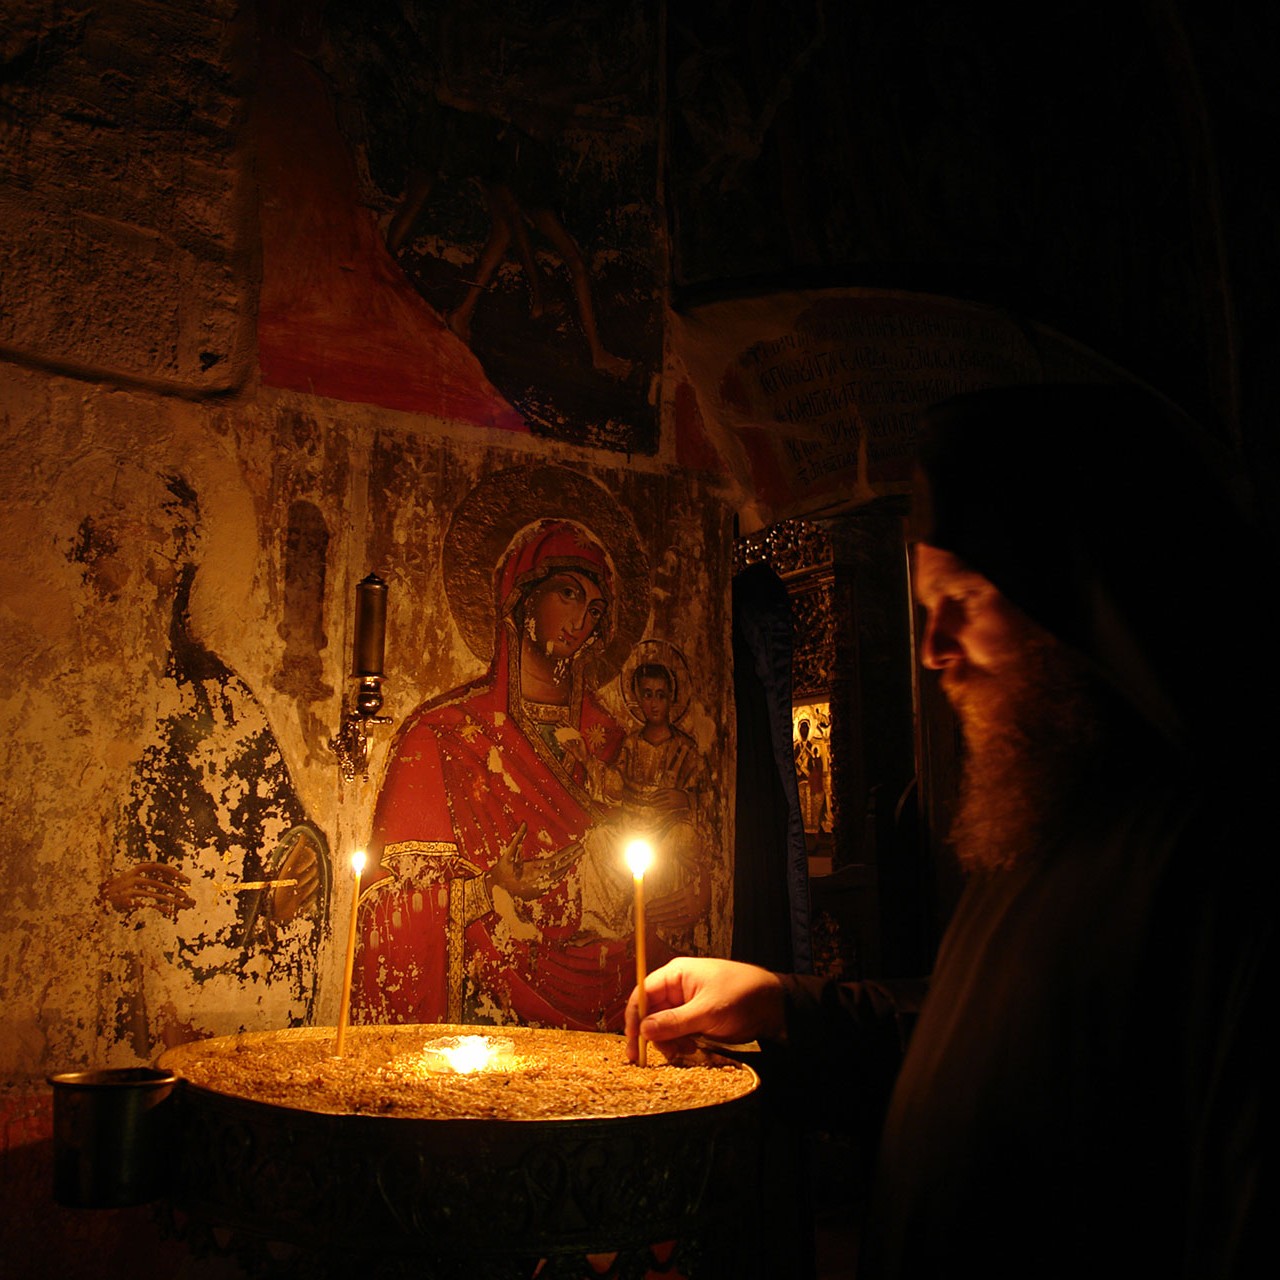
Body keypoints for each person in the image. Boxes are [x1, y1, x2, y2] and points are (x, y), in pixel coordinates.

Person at [627, 384, 1271, 1278]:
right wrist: (778, 1002)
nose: (934, 648)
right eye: (927, 607)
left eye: (963, 596)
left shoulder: (1224, 865)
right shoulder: (1050, 811)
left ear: (1078, 602)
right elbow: (956, 1037)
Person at [355, 518, 674, 1030]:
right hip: (487, 1013)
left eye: (594, 609)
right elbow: (387, 906)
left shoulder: (613, 741)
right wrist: (489, 889)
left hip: (613, 985)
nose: (581, 621)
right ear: (523, 598)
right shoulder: (444, 735)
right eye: (567, 594)